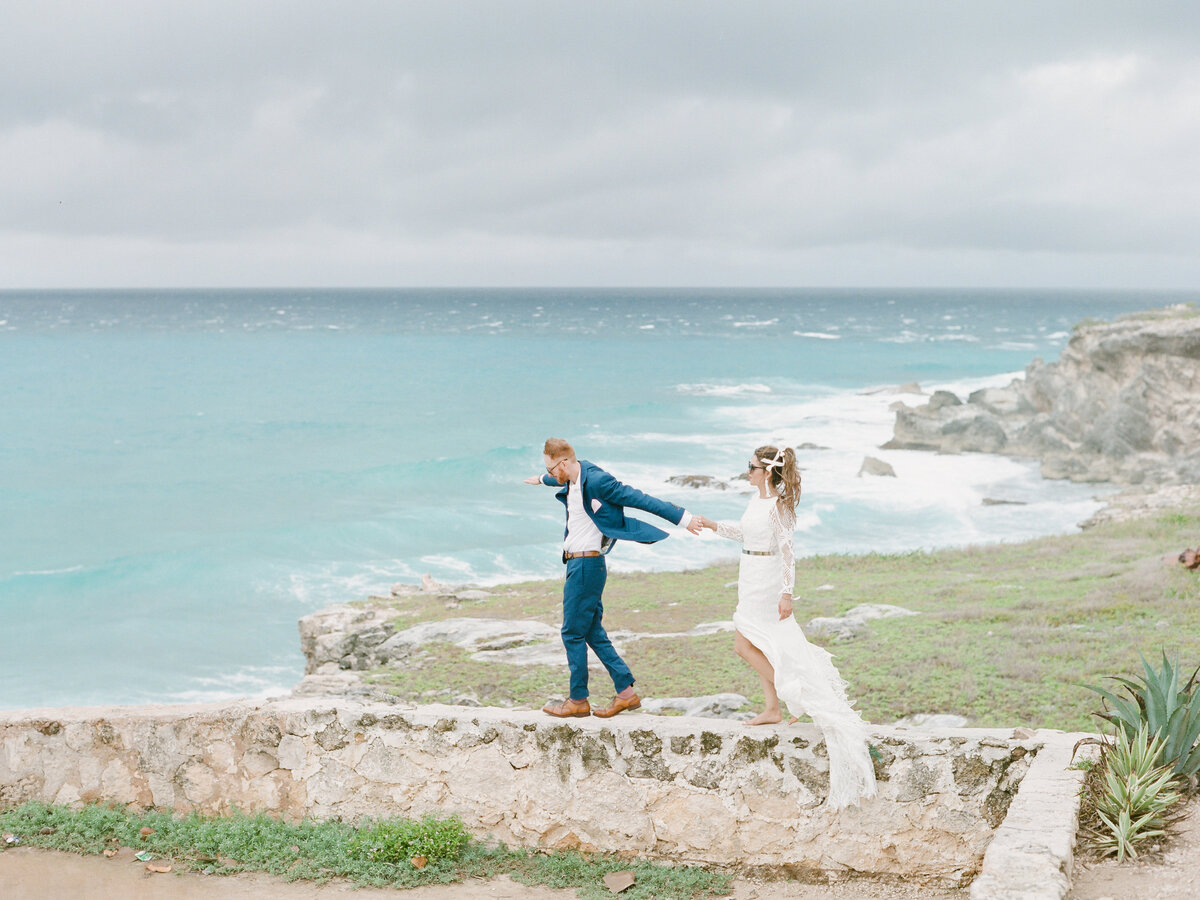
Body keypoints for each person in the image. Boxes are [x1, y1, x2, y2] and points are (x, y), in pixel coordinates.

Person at [694, 445, 876, 809]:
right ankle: (772, 708)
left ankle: (789, 692)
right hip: (749, 573)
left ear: (768, 471)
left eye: (751, 467)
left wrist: (787, 594)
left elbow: (788, 551)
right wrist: (713, 525)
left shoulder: (779, 506)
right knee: (758, 646)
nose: (746, 471)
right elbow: (746, 535)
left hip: (768, 581)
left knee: (743, 646)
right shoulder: (755, 501)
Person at [525, 438, 702, 718]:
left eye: (549, 468)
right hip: (581, 565)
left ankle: (578, 700)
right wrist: (538, 480)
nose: (549, 473)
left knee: (571, 632)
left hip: (586, 566)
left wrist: (683, 518)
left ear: (564, 463)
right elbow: (554, 480)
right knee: (592, 632)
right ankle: (626, 693)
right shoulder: (570, 476)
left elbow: (639, 498)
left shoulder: (597, 481)